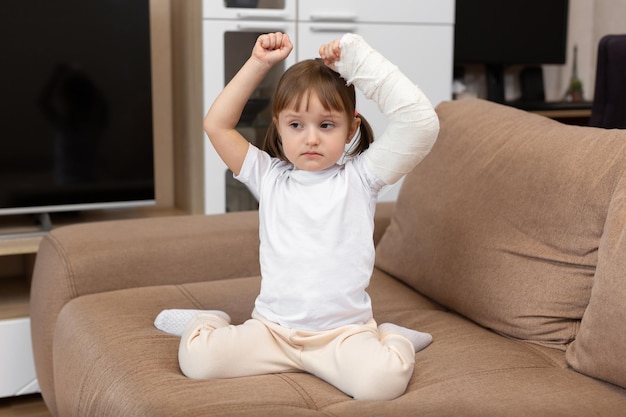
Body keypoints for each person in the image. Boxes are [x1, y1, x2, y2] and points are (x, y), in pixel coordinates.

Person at [155, 32, 440, 401]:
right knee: (199, 360)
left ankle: (393, 337)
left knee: (381, 384)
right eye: (296, 125)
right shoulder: (269, 176)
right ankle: (207, 321)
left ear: (351, 128)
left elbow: (420, 124)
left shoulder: (361, 178)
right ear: (278, 126)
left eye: (326, 125)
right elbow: (217, 125)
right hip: (272, 331)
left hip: (342, 336)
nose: (311, 139)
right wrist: (259, 63)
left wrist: (358, 62)